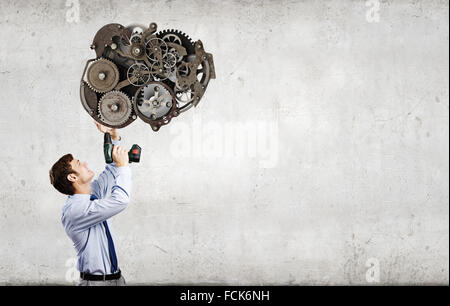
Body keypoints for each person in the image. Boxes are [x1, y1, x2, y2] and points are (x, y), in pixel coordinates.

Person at [49, 122, 132, 286]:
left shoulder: (90, 195)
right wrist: (124, 167)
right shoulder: (75, 210)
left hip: (116, 279)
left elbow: (111, 171)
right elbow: (121, 200)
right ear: (72, 177)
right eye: (79, 164)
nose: (85, 163)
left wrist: (113, 135)